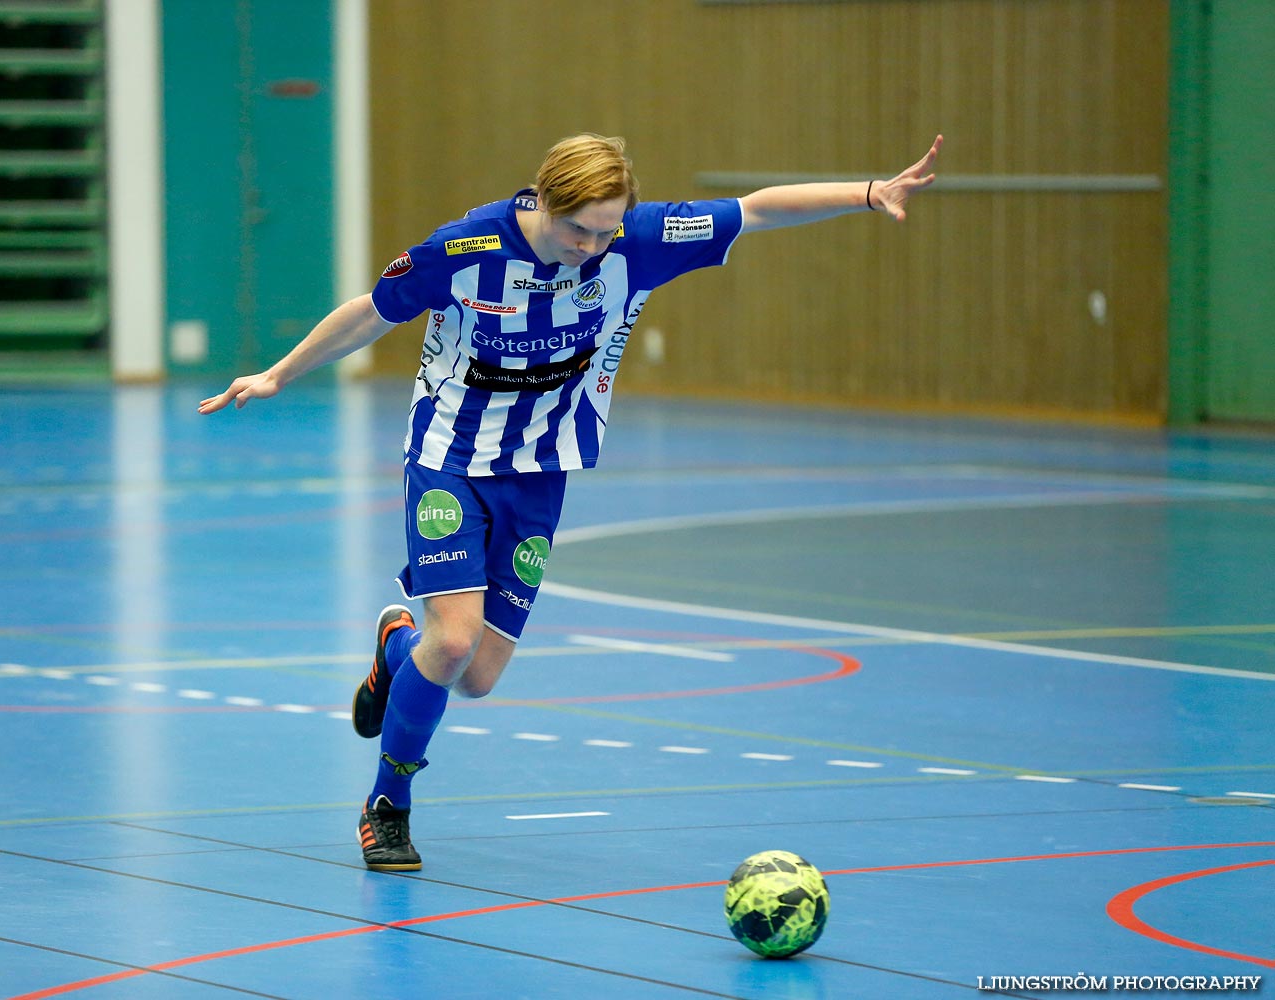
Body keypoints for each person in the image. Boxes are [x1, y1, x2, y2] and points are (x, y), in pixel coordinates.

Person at [199, 132, 944, 872]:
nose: (591, 245)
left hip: (541, 469)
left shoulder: (637, 241)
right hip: (449, 456)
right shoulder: (463, 250)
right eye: (576, 228)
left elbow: (753, 211)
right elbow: (371, 311)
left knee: (478, 677)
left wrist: (869, 192)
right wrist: (279, 373)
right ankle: (387, 804)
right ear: (542, 201)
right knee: (454, 641)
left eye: (606, 230)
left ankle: (396, 648)